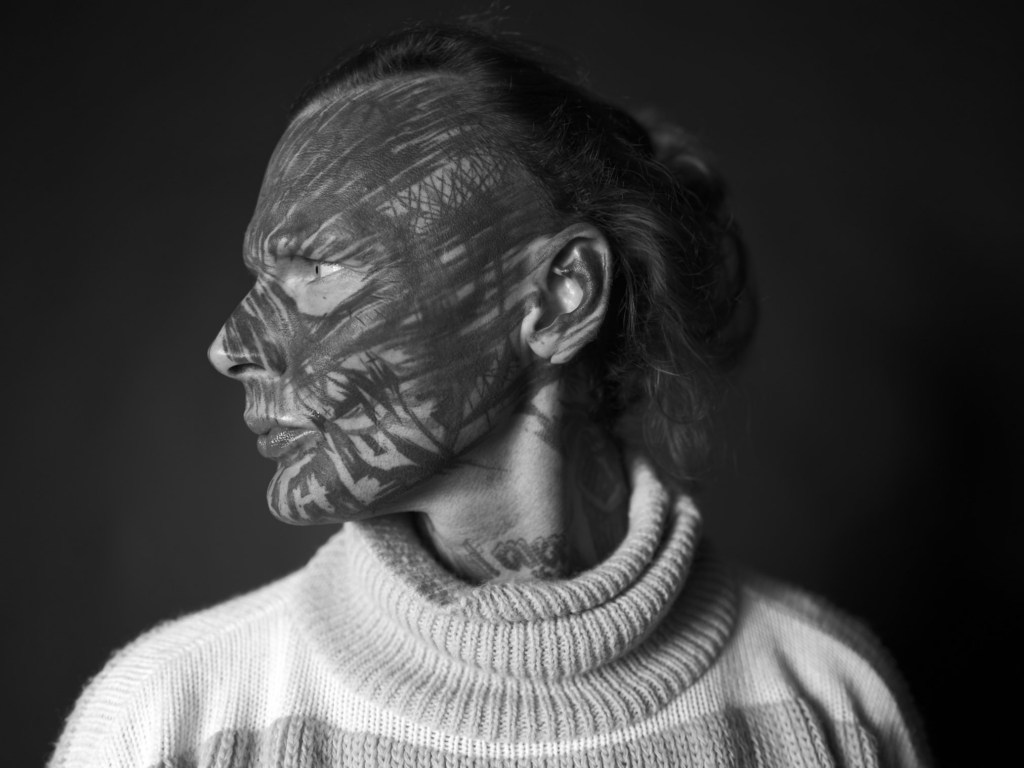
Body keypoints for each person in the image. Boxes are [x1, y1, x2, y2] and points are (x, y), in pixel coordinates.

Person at [50, 23, 930, 768]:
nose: (229, 347)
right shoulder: (170, 719)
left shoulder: (831, 701)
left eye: (314, 271)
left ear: (560, 297)